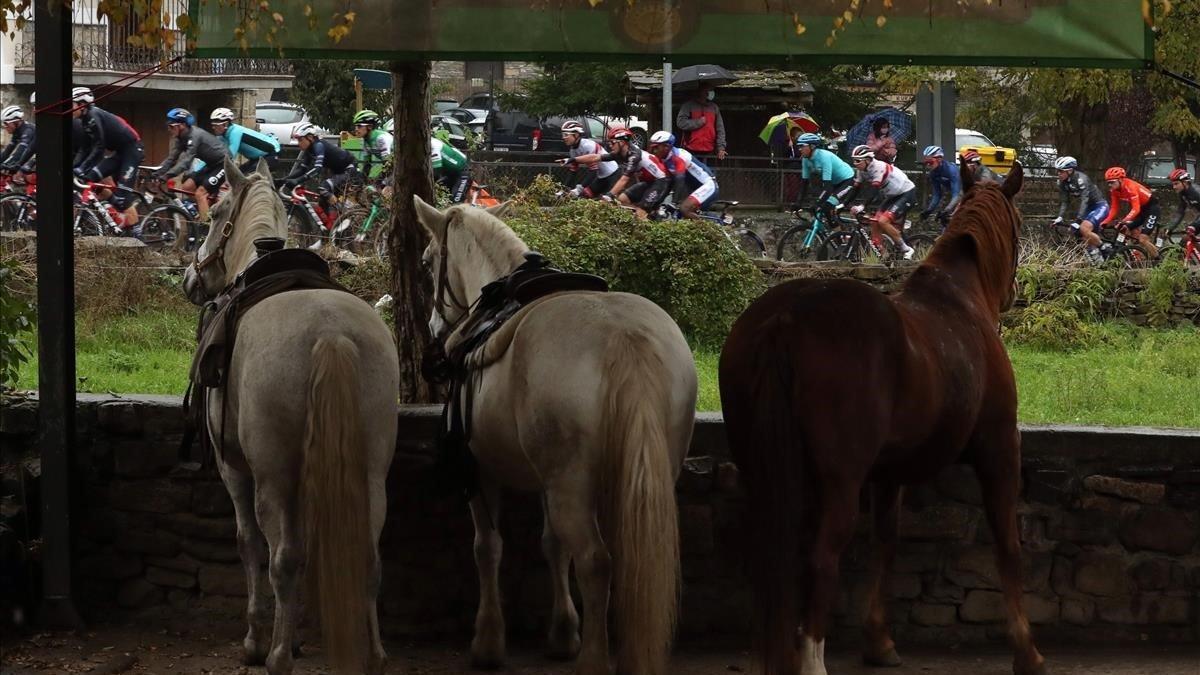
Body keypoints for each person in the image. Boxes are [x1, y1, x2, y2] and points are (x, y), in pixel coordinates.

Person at [73, 87, 144, 234]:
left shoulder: (93, 116)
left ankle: (137, 234)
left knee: (124, 198)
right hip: (120, 152)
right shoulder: (84, 120)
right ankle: (117, 209)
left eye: (72, 104)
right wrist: (75, 166)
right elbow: (84, 149)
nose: (70, 109)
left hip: (132, 151)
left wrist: (83, 166)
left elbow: (99, 146)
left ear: (81, 104)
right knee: (91, 179)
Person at [152, 108, 230, 224]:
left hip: (224, 164)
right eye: (168, 126)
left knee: (200, 193)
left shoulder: (195, 136)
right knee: (187, 187)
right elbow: (171, 159)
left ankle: (206, 228)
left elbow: (186, 162)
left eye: (172, 126)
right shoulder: (181, 138)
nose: (169, 129)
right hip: (211, 165)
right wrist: (157, 173)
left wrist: (167, 175)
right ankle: (207, 211)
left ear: (182, 125)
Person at [574, 126, 672, 219]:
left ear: (622, 142)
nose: (610, 145)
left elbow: (624, 179)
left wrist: (609, 195)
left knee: (640, 213)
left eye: (612, 142)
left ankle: (645, 219)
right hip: (648, 182)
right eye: (609, 143)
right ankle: (651, 214)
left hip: (660, 182)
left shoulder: (634, 155)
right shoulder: (620, 153)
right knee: (622, 199)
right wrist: (573, 159)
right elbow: (595, 157)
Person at [847, 144, 917, 260]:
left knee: (883, 221)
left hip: (906, 193)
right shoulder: (862, 169)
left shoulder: (878, 167)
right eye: (853, 161)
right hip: (893, 196)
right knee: (875, 221)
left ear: (868, 160)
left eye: (858, 161)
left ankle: (907, 249)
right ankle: (884, 255)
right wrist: (843, 204)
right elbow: (856, 189)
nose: (855, 164)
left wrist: (862, 206)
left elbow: (874, 191)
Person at [281, 123, 359, 217]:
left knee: (324, 187)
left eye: (301, 140)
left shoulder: (319, 145)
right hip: (339, 172)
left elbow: (317, 169)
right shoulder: (309, 150)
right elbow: (302, 170)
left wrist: (298, 180)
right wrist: (284, 180)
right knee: (323, 202)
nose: (299, 143)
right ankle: (332, 227)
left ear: (310, 137)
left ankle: (346, 216)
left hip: (350, 170)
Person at [646, 130, 718, 219]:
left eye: (656, 147)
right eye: (652, 148)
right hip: (697, 188)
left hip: (709, 185)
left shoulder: (678, 156)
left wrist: (674, 203)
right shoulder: (666, 159)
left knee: (685, 209)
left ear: (666, 147)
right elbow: (669, 183)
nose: (653, 151)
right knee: (680, 215)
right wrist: (656, 203)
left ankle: (709, 231)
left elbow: (680, 180)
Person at [791, 132, 856, 227]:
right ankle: (837, 235)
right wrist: (798, 202)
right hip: (834, 183)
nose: (799, 149)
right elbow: (804, 184)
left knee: (827, 205)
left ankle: (842, 234)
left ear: (812, 146)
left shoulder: (824, 157)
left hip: (847, 180)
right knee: (825, 209)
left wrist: (817, 202)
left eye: (802, 146)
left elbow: (827, 187)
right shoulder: (805, 160)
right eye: (798, 146)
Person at [1053, 156, 1108, 265]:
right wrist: (1059, 217)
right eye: (1057, 171)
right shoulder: (1062, 183)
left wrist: (1078, 220)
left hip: (1099, 206)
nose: (1058, 173)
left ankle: (1105, 249)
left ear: (1069, 170)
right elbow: (1065, 202)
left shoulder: (1081, 179)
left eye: (1061, 171)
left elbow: (1085, 200)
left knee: (1083, 228)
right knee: (1078, 233)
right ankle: (1098, 262)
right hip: (1088, 208)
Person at [1099, 166, 1160, 259]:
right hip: (1142, 210)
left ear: (1120, 180)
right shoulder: (1114, 191)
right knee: (1123, 229)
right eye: (1108, 183)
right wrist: (1105, 222)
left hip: (1152, 209)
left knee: (1142, 239)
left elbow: (1136, 209)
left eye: (1112, 182)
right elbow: (1114, 208)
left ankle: (1159, 261)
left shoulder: (1130, 187)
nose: (1110, 185)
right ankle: (1134, 255)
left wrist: (1124, 220)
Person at [558, 119, 619, 198]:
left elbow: (593, 171)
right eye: (563, 135)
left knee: (607, 201)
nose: (563, 138)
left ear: (576, 135)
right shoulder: (573, 150)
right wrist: (564, 190)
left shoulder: (588, 146)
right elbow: (573, 172)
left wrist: (579, 188)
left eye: (566, 134)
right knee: (585, 196)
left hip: (612, 173)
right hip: (601, 176)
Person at [209, 107, 280, 174]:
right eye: (212, 124)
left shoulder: (235, 132)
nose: (213, 127)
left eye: (216, 125)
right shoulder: (222, 136)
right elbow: (213, 153)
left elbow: (230, 156)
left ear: (225, 124)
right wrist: (198, 169)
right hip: (256, 159)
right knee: (238, 177)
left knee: (246, 180)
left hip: (270, 155)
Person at [676, 84, 727, 161]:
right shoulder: (688, 106)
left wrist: (721, 148)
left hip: (710, 149)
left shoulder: (714, 108)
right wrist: (698, 122)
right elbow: (680, 122)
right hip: (690, 148)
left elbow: (720, 129)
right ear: (700, 91)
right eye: (707, 90)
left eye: (710, 90)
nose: (709, 92)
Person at [919, 145, 962, 229]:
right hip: (957, 194)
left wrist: (947, 210)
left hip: (966, 192)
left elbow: (957, 195)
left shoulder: (951, 170)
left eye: (930, 162)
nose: (928, 165)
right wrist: (929, 210)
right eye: (926, 162)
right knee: (945, 222)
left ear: (939, 159)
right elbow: (937, 195)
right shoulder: (933, 173)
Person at [351, 109, 393, 179]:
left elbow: (388, 165)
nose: (356, 129)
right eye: (355, 126)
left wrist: (379, 182)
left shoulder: (381, 138)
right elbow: (367, 165)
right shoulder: (366, 141)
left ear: (369, 127)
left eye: (359, 126)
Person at [431, 136, 470, 203]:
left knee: (456, 201)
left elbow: (435, 173)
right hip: (450, 173)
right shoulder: (432, 142)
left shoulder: (434, 146)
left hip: (462, 172)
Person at [0, 105, 35, 179]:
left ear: (16, 122)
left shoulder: (28, 131)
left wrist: (6, 164)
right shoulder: (17, 132)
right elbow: (7, 151)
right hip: (32, 152)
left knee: (24, 172)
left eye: (5, 123)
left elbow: (20, 152)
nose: (4, 126)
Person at [1168, 168, 1200, 240]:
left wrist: (1194, 225)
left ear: (1185, 182)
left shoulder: (1196, 192)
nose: (1174, 187)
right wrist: (1170, 227)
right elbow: (1180, 212)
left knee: (1189, 233)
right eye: (1173, 184)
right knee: (1186, 238)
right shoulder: (1183, 194)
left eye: (1176, 184)